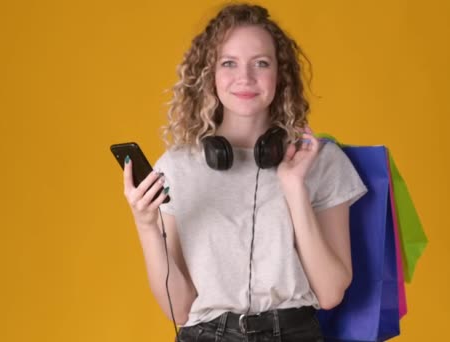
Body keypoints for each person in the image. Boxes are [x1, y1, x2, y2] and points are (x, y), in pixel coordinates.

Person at [121, 3, 367, 341]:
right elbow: (179, 310)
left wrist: (294, 188)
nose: (245, 78)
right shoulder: (177, 167)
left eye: (261, 63)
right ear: (210, 74)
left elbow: (330, 293)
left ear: (280, 73)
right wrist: (146, 226)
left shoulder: (321, 161)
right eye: (229, 63)